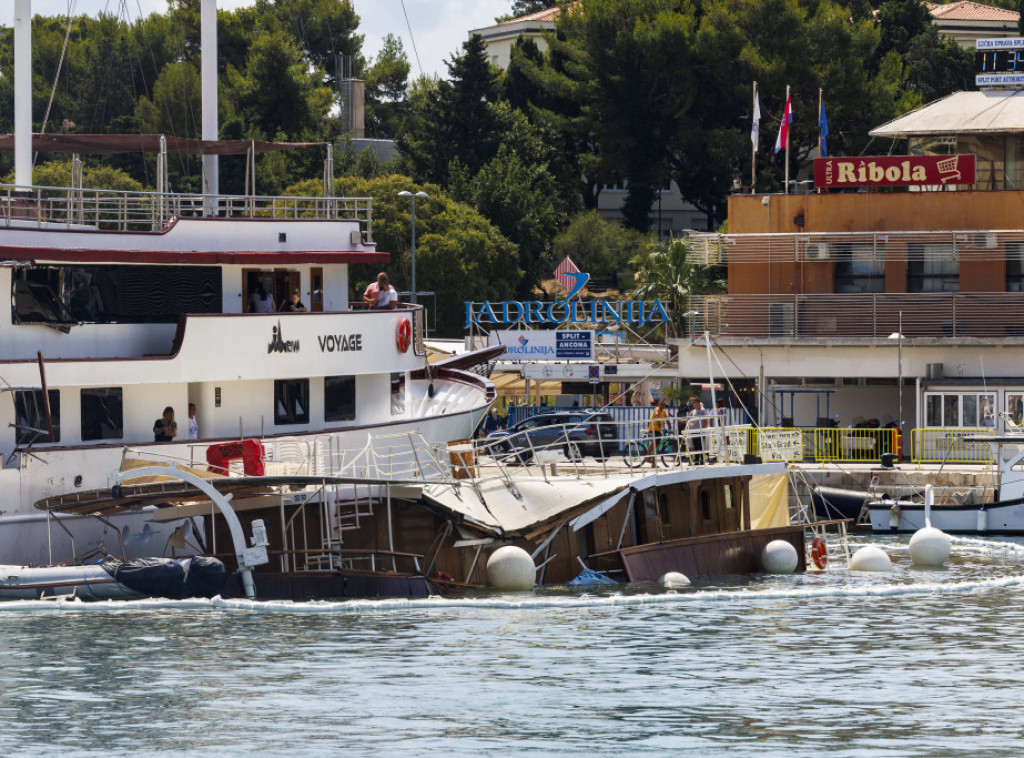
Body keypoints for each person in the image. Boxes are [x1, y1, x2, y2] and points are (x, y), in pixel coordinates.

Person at [686, 398, 710, 464]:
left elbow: (706, 420)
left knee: (701, 445)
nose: (694, 404)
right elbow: (688, 419)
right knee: (695, 445)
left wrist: (704, 429)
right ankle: (696, 460)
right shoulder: (693, 411)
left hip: (700, 431)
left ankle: (702, 460)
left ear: (698, 403)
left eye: (695, 403)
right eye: (693, 403)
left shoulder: (702, 410)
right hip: (693, 431)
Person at [646, 399, 668, 468]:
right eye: (661, 404)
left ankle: (653, 464)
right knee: (653, 442)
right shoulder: (656, 410)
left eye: (664, 404)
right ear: (658, 404)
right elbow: (657, 419)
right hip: (652, 430)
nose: (663, 406)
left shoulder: (664, 412)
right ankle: (647, 456)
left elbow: (667, 421)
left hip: (658, 431)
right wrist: (661, 429)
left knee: (655, 448)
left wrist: (670, 428)